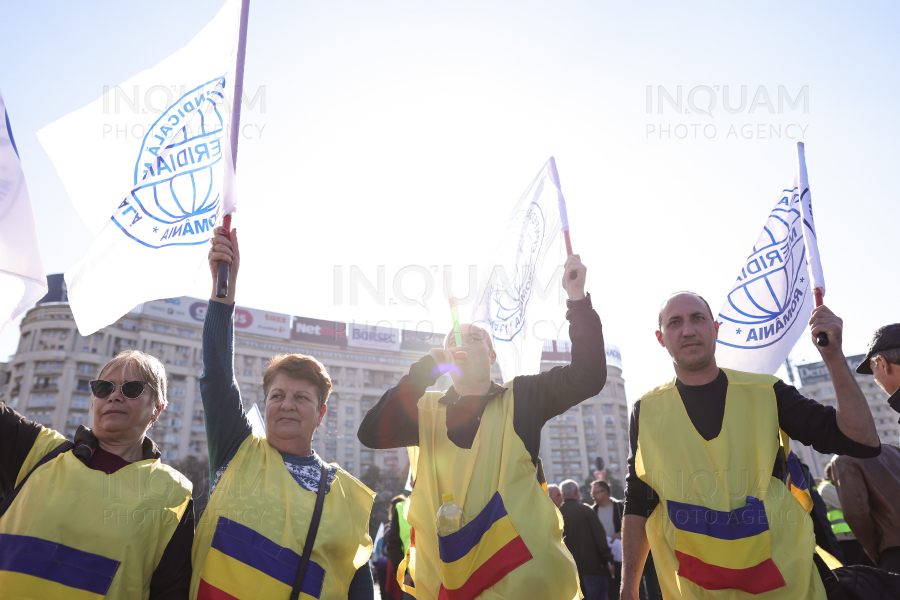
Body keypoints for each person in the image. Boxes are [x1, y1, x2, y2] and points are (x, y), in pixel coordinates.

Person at [358, 254, 605, 600]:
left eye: (476, 338)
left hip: (527, 587)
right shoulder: (426, 411)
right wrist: (427, 367)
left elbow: (588, 377)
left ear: (492, 355)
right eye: (452, 341)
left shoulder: (523, 397)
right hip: (451, 588)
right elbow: (369, 433)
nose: (461, 341)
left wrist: (577, 300)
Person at [619, 292, 882, 600]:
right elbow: (639, 501)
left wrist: (834, 356)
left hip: (784, 584)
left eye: (698, 318)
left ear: (716, 329)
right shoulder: (647, 411)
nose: (688, 330)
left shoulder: (767, 393)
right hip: (696, 589)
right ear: (660, 338)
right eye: (675, 322)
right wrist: (629, 588)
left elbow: (860, 439)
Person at [192, 226, 375, 599]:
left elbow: (358, 589)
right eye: (277, 395)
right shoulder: (235, 449)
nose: (287, 404)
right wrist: (223, 289)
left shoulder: (349, 498)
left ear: (321, 414)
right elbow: (217, 375)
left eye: (301, 398)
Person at [0, 350, 194, 598]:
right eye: (104, 388)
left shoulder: (175, 493)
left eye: (132, 389)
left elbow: (172, 591)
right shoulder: (38, 451)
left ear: (158, 408)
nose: (114, 396)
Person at [829, 323, 900, 574]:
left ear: (882, 363)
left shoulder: (845, 460)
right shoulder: (892, 450)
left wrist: (875, 551)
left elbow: (856, 511)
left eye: (872, 370)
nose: (876, 379)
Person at [559, 479, 615, 600]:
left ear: (563, 495)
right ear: (576, 493)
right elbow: (600, 538)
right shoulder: (586, 510)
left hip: (571, 572)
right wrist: (608, 560)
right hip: (593, 568)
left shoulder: (558, 514)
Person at [817, 462, 862, 565]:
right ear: (832, 474)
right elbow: (848, 505)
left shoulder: (836, 487)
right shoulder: (826, 488)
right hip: (844, 537)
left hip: (852, 534)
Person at [591, 480, 623, 599]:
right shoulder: (592, 511)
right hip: (605, 559)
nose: (593, 496)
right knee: (612, 592)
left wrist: (620, 533)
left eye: (595, 492)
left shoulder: (620, 507)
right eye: (592, 493)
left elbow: (633, 527)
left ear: (605, 492)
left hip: (623, 556)